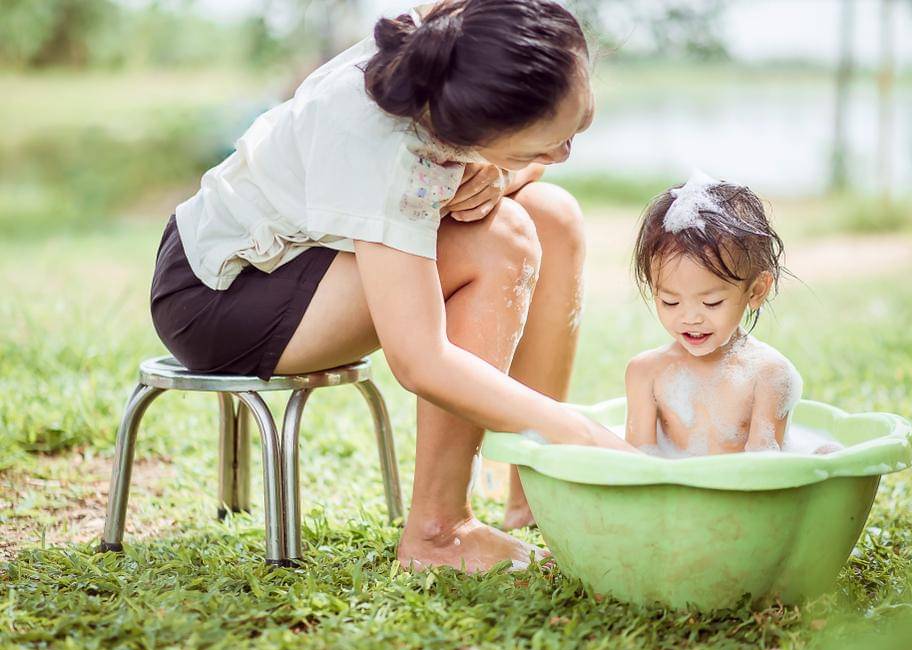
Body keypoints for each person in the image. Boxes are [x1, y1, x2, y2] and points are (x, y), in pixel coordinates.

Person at [149, 0, 634, 574]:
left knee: (553, 215)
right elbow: (420, 359)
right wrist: (576, 429)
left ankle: (536, 500)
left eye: (578, 127)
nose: (562, 155)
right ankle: (438, 532)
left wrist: (504, 169)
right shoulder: (385, 148)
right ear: (465, 125)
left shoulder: (462, 44)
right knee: (500, 240)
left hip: (306, 255)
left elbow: (522, 163)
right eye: (540, 147)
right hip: (223, 291)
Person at [625, 171, 843, 457]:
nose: (690, 317)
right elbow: (635, 462)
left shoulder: (769, 376)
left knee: (829, 455)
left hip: (742, 497)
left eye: (712, 303)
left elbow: (765, 468)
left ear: (755, 291)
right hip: (675, 497)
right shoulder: (646, 373)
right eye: (670, 302)